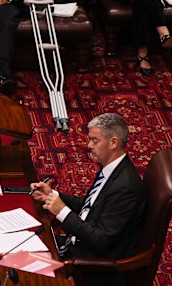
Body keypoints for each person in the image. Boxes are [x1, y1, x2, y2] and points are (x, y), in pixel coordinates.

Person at [31, 113, 145, 286]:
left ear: (113, 142)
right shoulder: (111, 169)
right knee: (26, 243)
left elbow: (100, 240)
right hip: (78, 244)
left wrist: (61, 211)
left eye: (95, 140)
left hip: (92, 266)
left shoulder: (125, 188)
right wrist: (54, 195)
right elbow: (89, 206)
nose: (88, 145)